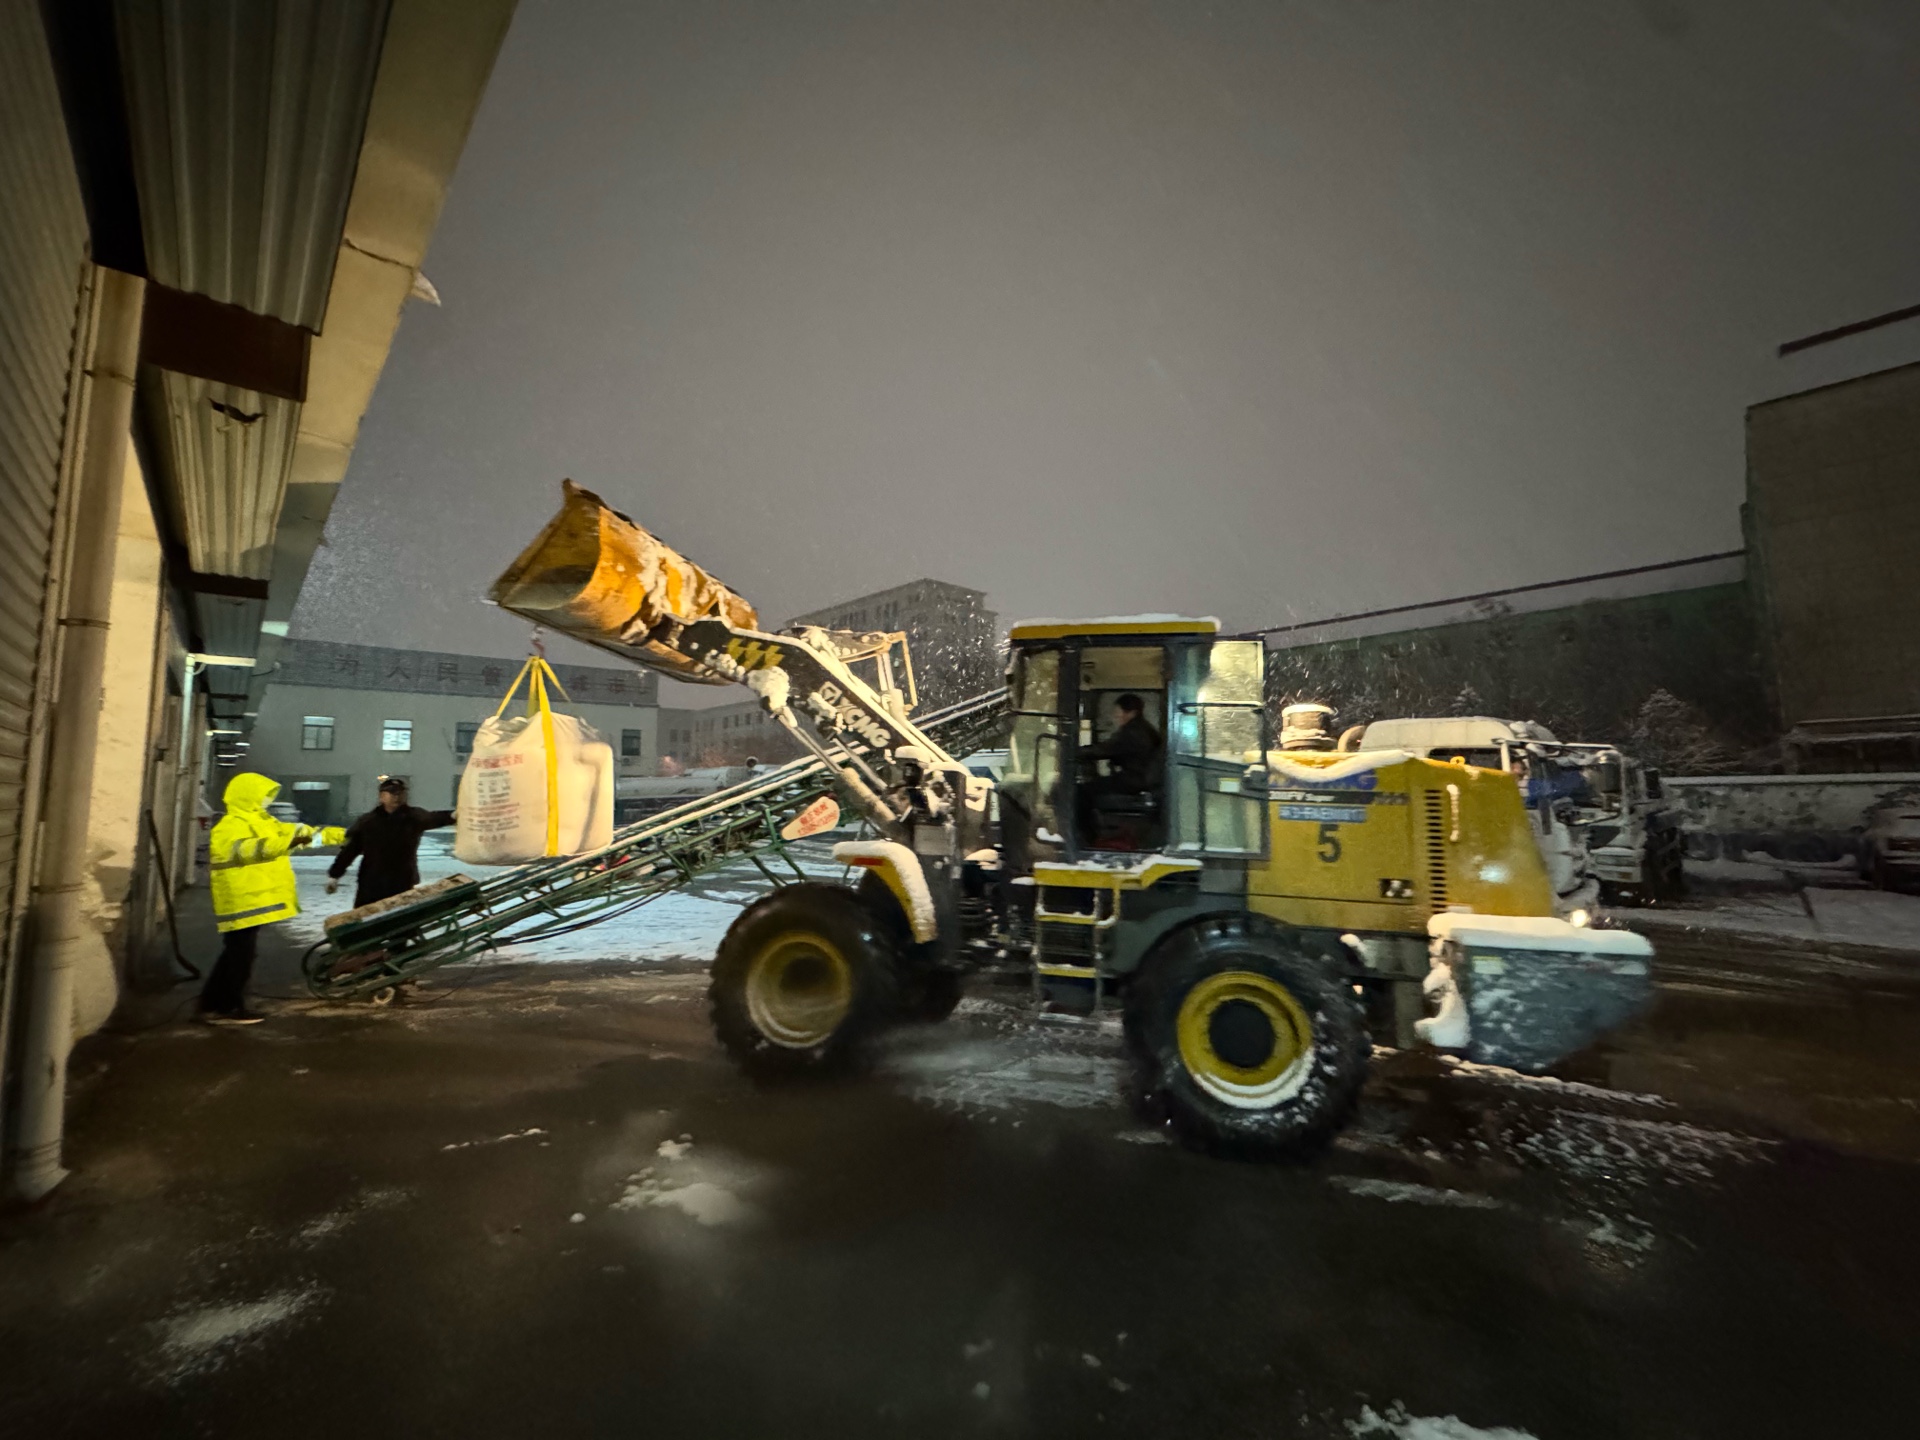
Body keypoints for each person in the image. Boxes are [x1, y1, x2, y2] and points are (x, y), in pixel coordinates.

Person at [201, 773, 343, 1025]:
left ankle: (212, 1003)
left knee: (236, 954)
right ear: (248, 796)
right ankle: (226, 1007)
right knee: (239, 956)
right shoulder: (231, 824)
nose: (267, 801)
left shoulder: (263, 821)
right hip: (240, 899)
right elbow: (246, 850)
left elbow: (304, 834)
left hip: (251, 898)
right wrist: (285, 842)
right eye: (263, 796)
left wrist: (345, 836)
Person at [327, 777, 455, 909]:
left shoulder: (413, 817)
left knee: (401, 922)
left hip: (402, 881)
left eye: (400, 793)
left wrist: (453, 816)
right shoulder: (368, 822)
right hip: (371, 882)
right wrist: (334, 875)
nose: (397, 797)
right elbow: (350, 850)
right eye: (392, 793)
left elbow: (434, 817)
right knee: (367, 922)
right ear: (382, 796)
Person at [1082, 693, 1162, 794]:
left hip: (1135, 780)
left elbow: (1105, 749)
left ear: (1132, 713)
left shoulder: (1133, 732)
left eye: (1118, 711)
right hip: (1140, 779)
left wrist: (1079, 752)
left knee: (1083, 790)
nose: (1115, 715)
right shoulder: (1143, 728)